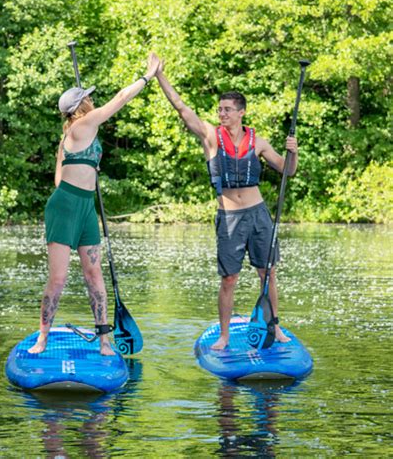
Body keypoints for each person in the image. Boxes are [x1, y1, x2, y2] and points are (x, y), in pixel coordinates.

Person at [155, 59, 297, 349]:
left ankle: (275, 327)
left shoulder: (258, 141)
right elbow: (182, 108)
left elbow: (288, 170)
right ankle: (224, 335)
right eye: (220, 109)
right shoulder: (211, 136)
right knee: (229, 278)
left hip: (258, 215)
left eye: (227, 109)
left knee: (268, 273)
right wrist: (159, 75)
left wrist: (293, 152)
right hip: (230, 217)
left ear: (241, 112)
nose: (222, 113)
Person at [28, 52, 161, 355]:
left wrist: (88, 168)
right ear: (80, 107)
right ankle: (42, 338)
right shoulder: (80, 127)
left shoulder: (80, 133)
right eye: (88, 98)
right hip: (64, 207)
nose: (92, 101)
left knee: (94, 274)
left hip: (86, 208)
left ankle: (104, 340)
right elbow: (120, 98)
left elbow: (59, 177)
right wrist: (147, 76)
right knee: (58, 278)